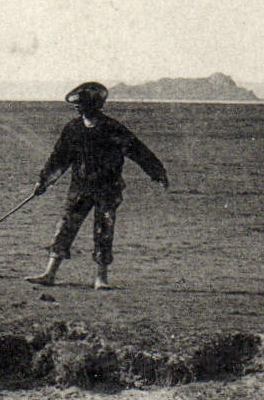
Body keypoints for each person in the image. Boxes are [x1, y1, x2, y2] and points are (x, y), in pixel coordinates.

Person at [25, 81, 168, 290]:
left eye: (81, 103)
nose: (77, 107)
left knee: (104, 231)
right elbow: (59, 158)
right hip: (79, 188)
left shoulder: (112, 128)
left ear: (94, 105)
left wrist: (157, 172)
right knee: (65, 228)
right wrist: (43, 181)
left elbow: (138, 151)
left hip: (108, 189)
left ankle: (101, 279)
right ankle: (49, 274)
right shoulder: (72, 129)